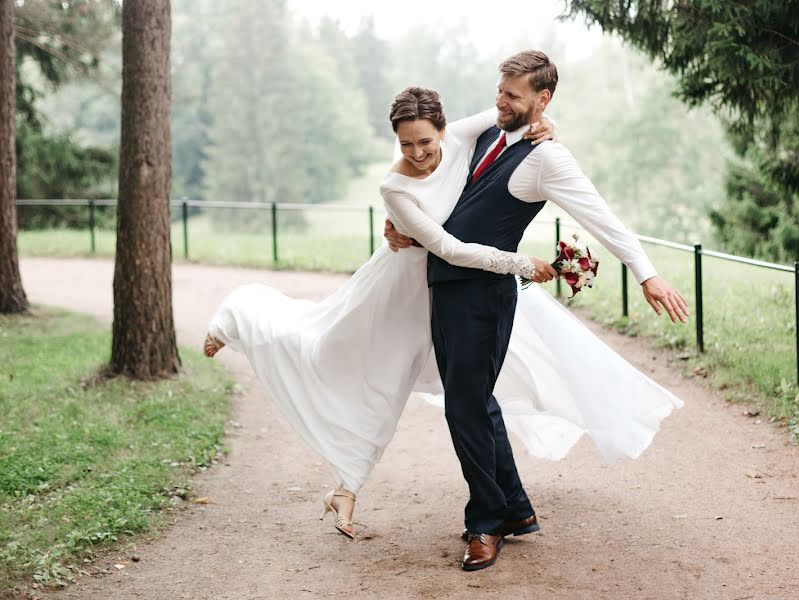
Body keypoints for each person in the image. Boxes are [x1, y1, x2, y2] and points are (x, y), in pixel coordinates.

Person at [384, 50, 688, 571]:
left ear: (541, 100)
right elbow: (438, 195)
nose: (500, 101)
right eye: (499, 90)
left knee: (464, 407)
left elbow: (601, 217)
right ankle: (516, 510)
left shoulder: (548, 159)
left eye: (513, 96)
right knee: (476, 401)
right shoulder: (483, 133)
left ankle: (487, 521)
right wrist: (406, 232)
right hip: (447, 290)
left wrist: (646, 272)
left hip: (484, 297)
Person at [203, 95, 558, 540]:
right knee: (352, 365)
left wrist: (547, 124)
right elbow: (446, 246)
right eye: (405, 144)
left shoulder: (465, 133)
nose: (418, 153)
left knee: (475, 396)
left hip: (456, 289)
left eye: (425, 141)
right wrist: (520, 264)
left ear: (444, 130)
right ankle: (240, 316)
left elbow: (517, 111)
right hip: (403, 291)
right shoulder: (394, 187)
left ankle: (510, 507)